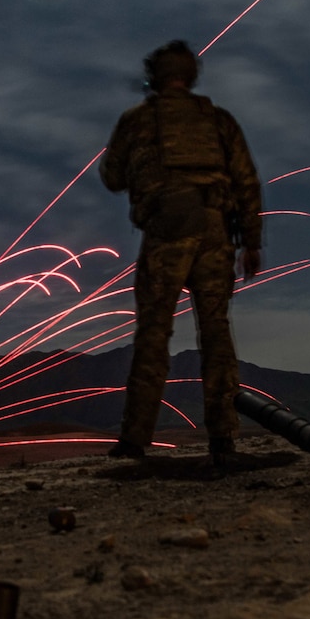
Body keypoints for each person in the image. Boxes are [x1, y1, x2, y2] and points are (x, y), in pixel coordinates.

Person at [99, 40, 263, 463]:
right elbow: (247, 182)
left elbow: (112, 176)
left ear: (154, 75)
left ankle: (135, 440)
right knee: (216, 334)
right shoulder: (218, 120)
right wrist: (252, 242)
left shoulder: (137, 120)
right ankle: (223, 437)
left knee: (153, 334)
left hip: (166, 232)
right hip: (215, 234)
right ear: (191, 74)